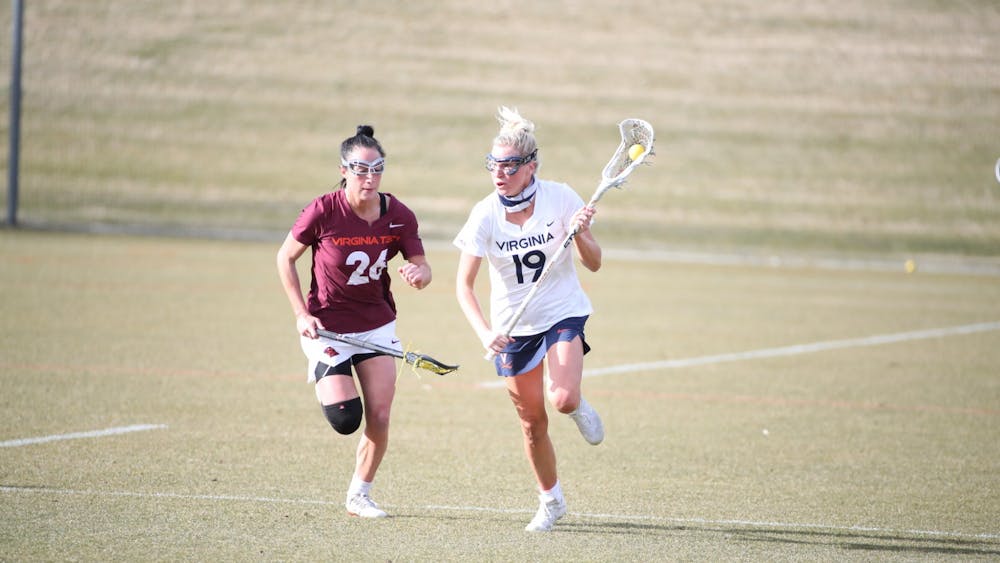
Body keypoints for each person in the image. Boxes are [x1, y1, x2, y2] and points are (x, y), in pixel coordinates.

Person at [453, 107, 605, 532]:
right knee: (532, 422)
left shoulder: (561, 197)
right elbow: (463, 286)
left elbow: (593, 264)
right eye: (493, 164)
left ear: (531, 166)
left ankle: (579, 406)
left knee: (563, 399)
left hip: (561, 312)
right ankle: (551, 501)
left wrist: (583, 235)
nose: (499, 173)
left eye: (509, 165)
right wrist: (486, 332)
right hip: (513, 326)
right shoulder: (485, 213)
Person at [277, 125, 432, 519]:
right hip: (327, 326)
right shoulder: (323, 210)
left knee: (379, 415)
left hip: (376, 325)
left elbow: (422, 266)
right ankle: (327, 369)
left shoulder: (398, 215)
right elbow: (285, 258)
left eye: (376, 169)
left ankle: (359, 495)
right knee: (347, 419)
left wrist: (419, 275)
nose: (369, 177)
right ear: (343, 170)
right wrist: (301, 313)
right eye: (360, 169)